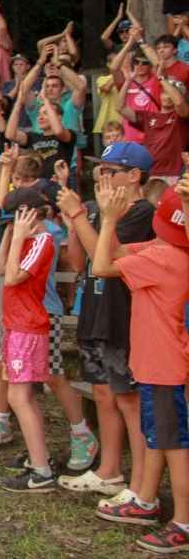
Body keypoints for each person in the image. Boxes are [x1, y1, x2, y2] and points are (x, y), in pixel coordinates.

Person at [91, 184, 189, 554]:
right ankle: (147, 502)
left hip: (164, 367)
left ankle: (183, 522)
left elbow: (101, 265)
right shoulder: (167, 251)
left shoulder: (164, 259)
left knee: (175, 444)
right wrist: (109, 222)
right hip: (156, 364)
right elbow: (115, 251)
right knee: (161, 438)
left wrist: (108, 219)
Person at [56, 142, 154, 501]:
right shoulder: (102, 210)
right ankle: (109, 471)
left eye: (112, 170)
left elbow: (110, 258)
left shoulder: (142, 213)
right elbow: (80, 261)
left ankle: (140, 485)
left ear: (134, 175)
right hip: (94, 307)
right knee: (103, 393)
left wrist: (81, 217)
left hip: (122, 314)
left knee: (128, 400)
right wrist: (73, 221)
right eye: (102, 169)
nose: (103, 176)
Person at [0, 192, 60, 492]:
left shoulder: (43, 241)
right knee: (23, 396)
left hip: (28, 327)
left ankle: (42, 471)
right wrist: (11, 234)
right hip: (16, 325)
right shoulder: (23, 240)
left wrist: (21, 236)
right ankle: (40, 459)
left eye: (17, 220)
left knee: (18, 397)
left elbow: (12, 278)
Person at [118, 76, 189, 185]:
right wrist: (127, 81)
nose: (168, 96)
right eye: (164, 92)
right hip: (149, 173)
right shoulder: (148, 116)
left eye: (171, 93)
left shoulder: (182, 117)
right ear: (160, 94)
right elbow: (120, 108)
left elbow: (179, 103)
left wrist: (161, 78)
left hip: (174, 174)